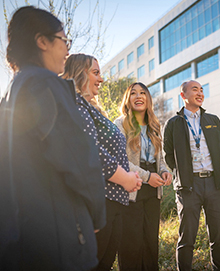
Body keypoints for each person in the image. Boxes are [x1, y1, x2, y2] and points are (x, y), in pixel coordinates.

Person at [0, 6, 106, 271]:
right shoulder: (46, 84)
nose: (67, 50)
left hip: (25, 238)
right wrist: (95, 216)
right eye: (64, 41)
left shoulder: (11, 92)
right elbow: (79, 160)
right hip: (61, 239)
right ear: (42, 41)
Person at [62, 53, 142, 271]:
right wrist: (126, 178)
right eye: (95, 72)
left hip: (113, 201)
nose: (101, 79)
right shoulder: (75, 105)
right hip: (99, 201)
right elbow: (89, 151)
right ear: (80, 73)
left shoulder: (90, 108)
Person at [163, 80, 220, 271]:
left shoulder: (213, 120)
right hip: (189, 186)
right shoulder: (173, 123)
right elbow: (168, 155)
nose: (200, 93)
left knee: (219, 237)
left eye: (201, 90)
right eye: (194, 90)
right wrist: (183, 174)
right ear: (183, 96)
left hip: (215, 184)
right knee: (187, 237)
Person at [114, 82, 172, 271]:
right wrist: (148, 177)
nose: (138, 96)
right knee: (131, 245)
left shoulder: (155, 126)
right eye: (133, 93)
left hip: (153, 192)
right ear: (127, 99)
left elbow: (160, 159)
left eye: (142, 93)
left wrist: (165, 171)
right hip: (131, 189)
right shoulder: (120, 123)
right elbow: (121, 161)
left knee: (150, 243)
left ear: (148, 98)